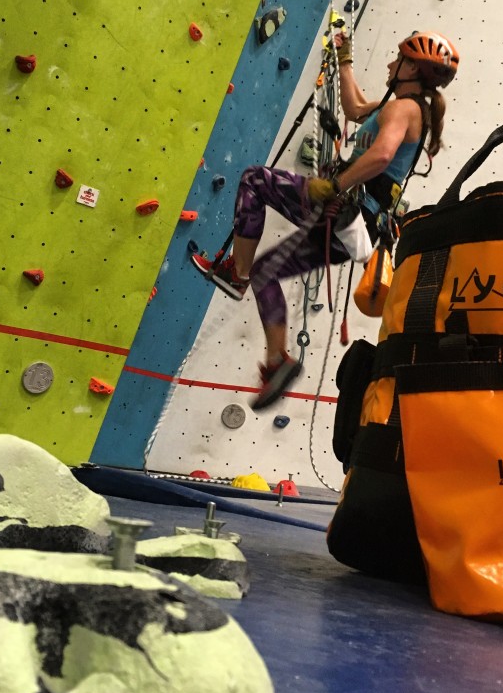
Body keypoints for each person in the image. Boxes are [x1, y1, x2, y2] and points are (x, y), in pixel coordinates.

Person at [191, 30, 460, 410]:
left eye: (396, 59)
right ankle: (276, 361)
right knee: (267, 273)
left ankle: (237, 274)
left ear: (412, 68)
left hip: (345, 209)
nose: (389, 63)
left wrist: (334, 185)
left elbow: (382, 156)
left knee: (254, 179)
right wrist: (344, 59)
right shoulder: (398, 106)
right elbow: (353, 109)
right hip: (355, 227)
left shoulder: (406, 109)